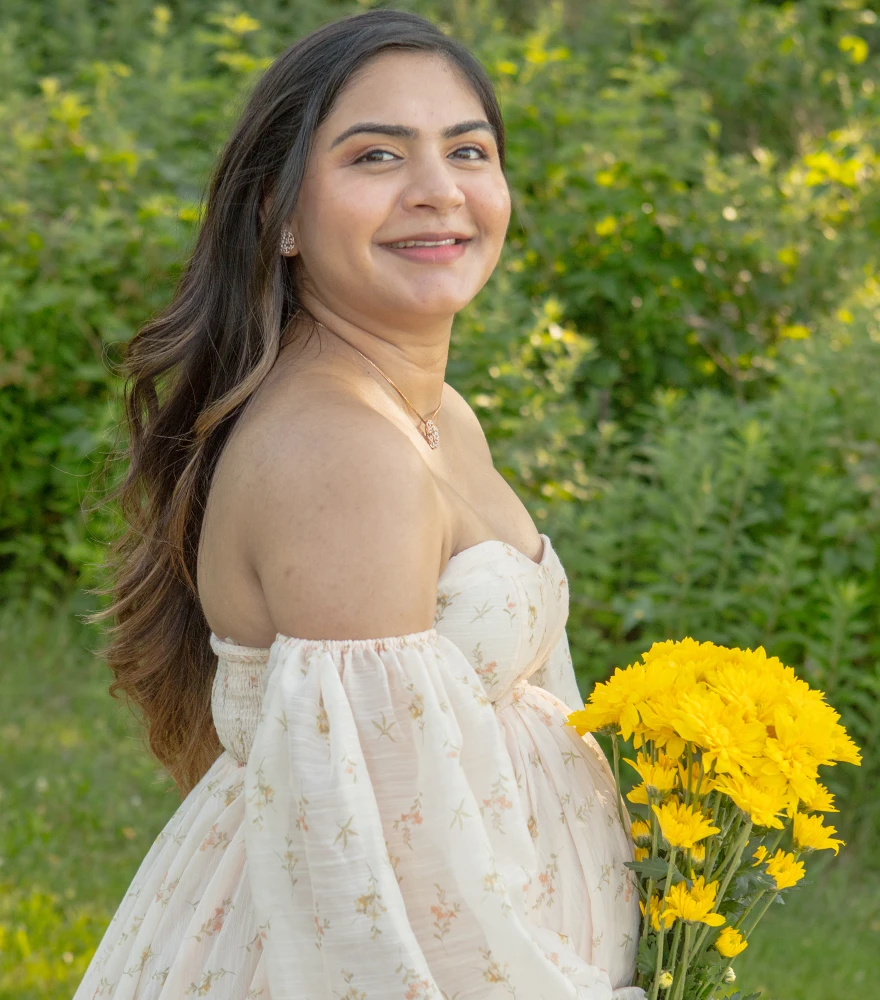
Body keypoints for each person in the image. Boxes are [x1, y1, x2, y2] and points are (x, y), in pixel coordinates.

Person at [75, 9, 643, 999]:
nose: (438, 191)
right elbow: (376, 884)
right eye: (376, 155)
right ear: (280, 216)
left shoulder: (431, 415)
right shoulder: (342, 451)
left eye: (468, 150)